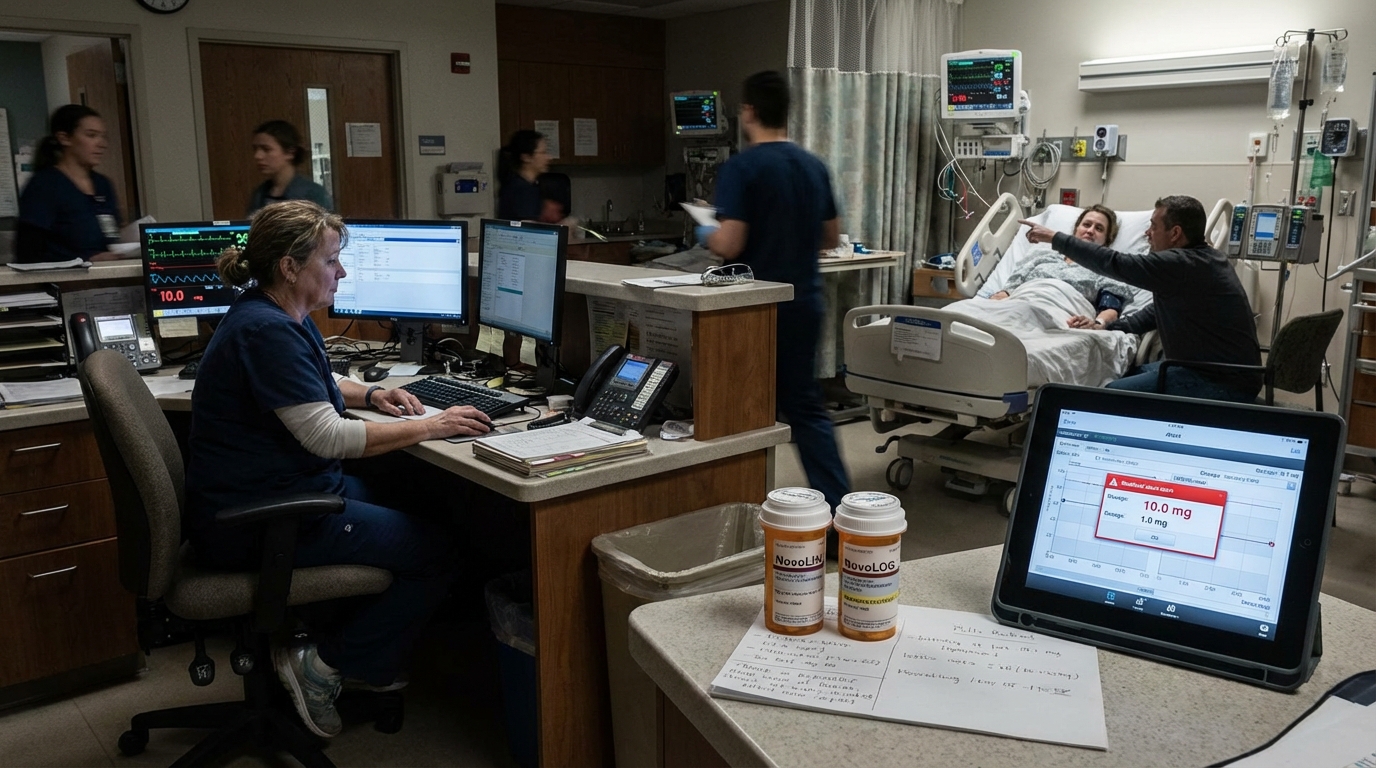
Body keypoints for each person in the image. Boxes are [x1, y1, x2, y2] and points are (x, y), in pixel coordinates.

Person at [185, 200, 492, 739]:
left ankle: (351, 650)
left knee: (420, 501)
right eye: (331, 261)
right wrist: (431, 425)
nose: (342, 273)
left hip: (272, 494)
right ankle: (327, 663)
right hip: (262, 521)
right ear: (289, 266)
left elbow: (320, 380)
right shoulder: (268, 332)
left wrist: (374, 391)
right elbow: (328, 435)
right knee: (439, 552)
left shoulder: (272, 312)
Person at [698, 70, 851, 523]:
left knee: (739, 410)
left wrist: (705, 227)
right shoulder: (812, 165)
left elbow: (729, 244)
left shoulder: (742, 167)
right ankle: (842, 514)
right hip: (805, 301)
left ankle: (738, 513)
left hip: (754, 309)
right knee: (805, 408)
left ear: (748, 112)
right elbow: (830, 237)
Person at [1021, 195, 1262, 402]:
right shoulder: (1205, 259)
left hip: (1220, 380)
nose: (1148, 233)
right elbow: (1157, 312)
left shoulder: (1180, 264)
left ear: (1175, 233)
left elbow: (1115, 264)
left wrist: (1055, 238)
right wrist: (1108, 326)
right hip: (1219, 372)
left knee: (1108, 396)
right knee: (1126, 372)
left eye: (1154, 226)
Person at [989, 205, 1140, 330]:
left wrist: (1098, 323)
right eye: (1086, 225)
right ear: (1076, 230)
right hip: (1018, 305)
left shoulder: (1106, 269)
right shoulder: (1041, 255)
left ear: (1107, 240)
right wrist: (1002, 296)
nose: (1090, 230)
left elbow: (1110, 309)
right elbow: (1012, 286)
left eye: (1099, 228)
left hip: (1062, 317)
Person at [16, 105, 125, 263]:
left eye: (103, 137)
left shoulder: (103, 185)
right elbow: (28, 253)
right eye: (91, 135)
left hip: (107, 278)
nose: (102, 144)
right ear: (64, 138)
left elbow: (110, 234)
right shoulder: (45, 185)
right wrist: (84, 259)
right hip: (65, 283)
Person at [247, 120, 333, 215]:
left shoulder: (312, 194)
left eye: (266, 149)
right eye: (255, 149)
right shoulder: (259, 194)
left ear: (290, 153)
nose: (258, 156)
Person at [496, 129, 552, 222]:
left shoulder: (530, 185)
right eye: (543, 153)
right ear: (526, 157)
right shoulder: (521, 189)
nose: (549, 157)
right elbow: (529, 230)